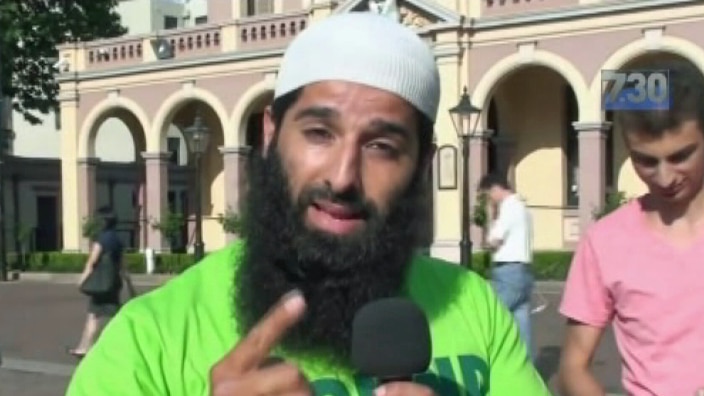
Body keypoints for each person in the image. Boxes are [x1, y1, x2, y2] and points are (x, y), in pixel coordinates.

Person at [67, 12, 549, 396]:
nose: (342, 177)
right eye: (319, 133)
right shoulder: (150, 338)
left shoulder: (475, 308)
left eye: (381, 146)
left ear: (422, 163)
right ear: (272, 135)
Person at [558, 62, 704, 396]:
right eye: (647, 161)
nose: (665, 178)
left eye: (681, 156)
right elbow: (572, 366)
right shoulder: (606, 242)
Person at [478, 173, 535, 361]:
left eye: (488, 195)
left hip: (508, 271)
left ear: (495, 189)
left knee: (491, 317)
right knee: (522, 324)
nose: (489, 200)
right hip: (524, 270)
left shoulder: (509, 207)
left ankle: (486, 361)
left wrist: (489, 216)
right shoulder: (523, 207)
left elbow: (493, 240)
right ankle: (527, 370)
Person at [68, 207, 135, 358]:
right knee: (112, 314)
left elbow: (92, 262)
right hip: (113, 284)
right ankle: (85, 346)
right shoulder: (118, 240)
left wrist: (82, 279)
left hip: (100, 285)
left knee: (93, 315)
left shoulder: (101, 239)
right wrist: (130, 286)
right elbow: (123, 266)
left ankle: (85, 348)